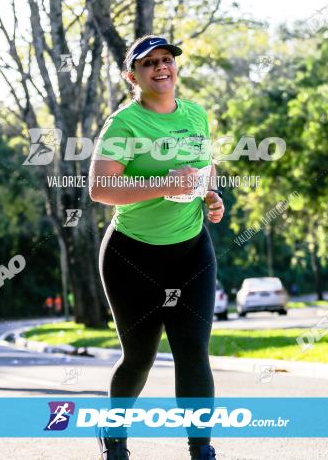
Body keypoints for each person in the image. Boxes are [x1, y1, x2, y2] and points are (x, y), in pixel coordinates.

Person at [89, 35, 225, 460]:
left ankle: (201, 449)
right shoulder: (123, 124)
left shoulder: (196, 116)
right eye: (150, 64)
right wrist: (163, 184)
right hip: (133, 256)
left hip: (191, 253)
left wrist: (212, 197)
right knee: (139, 359)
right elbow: (100, 188)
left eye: (167, 60)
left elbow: (205, 170)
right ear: (133, 76)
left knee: (193, 354)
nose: (161, 68)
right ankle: (114, 438)